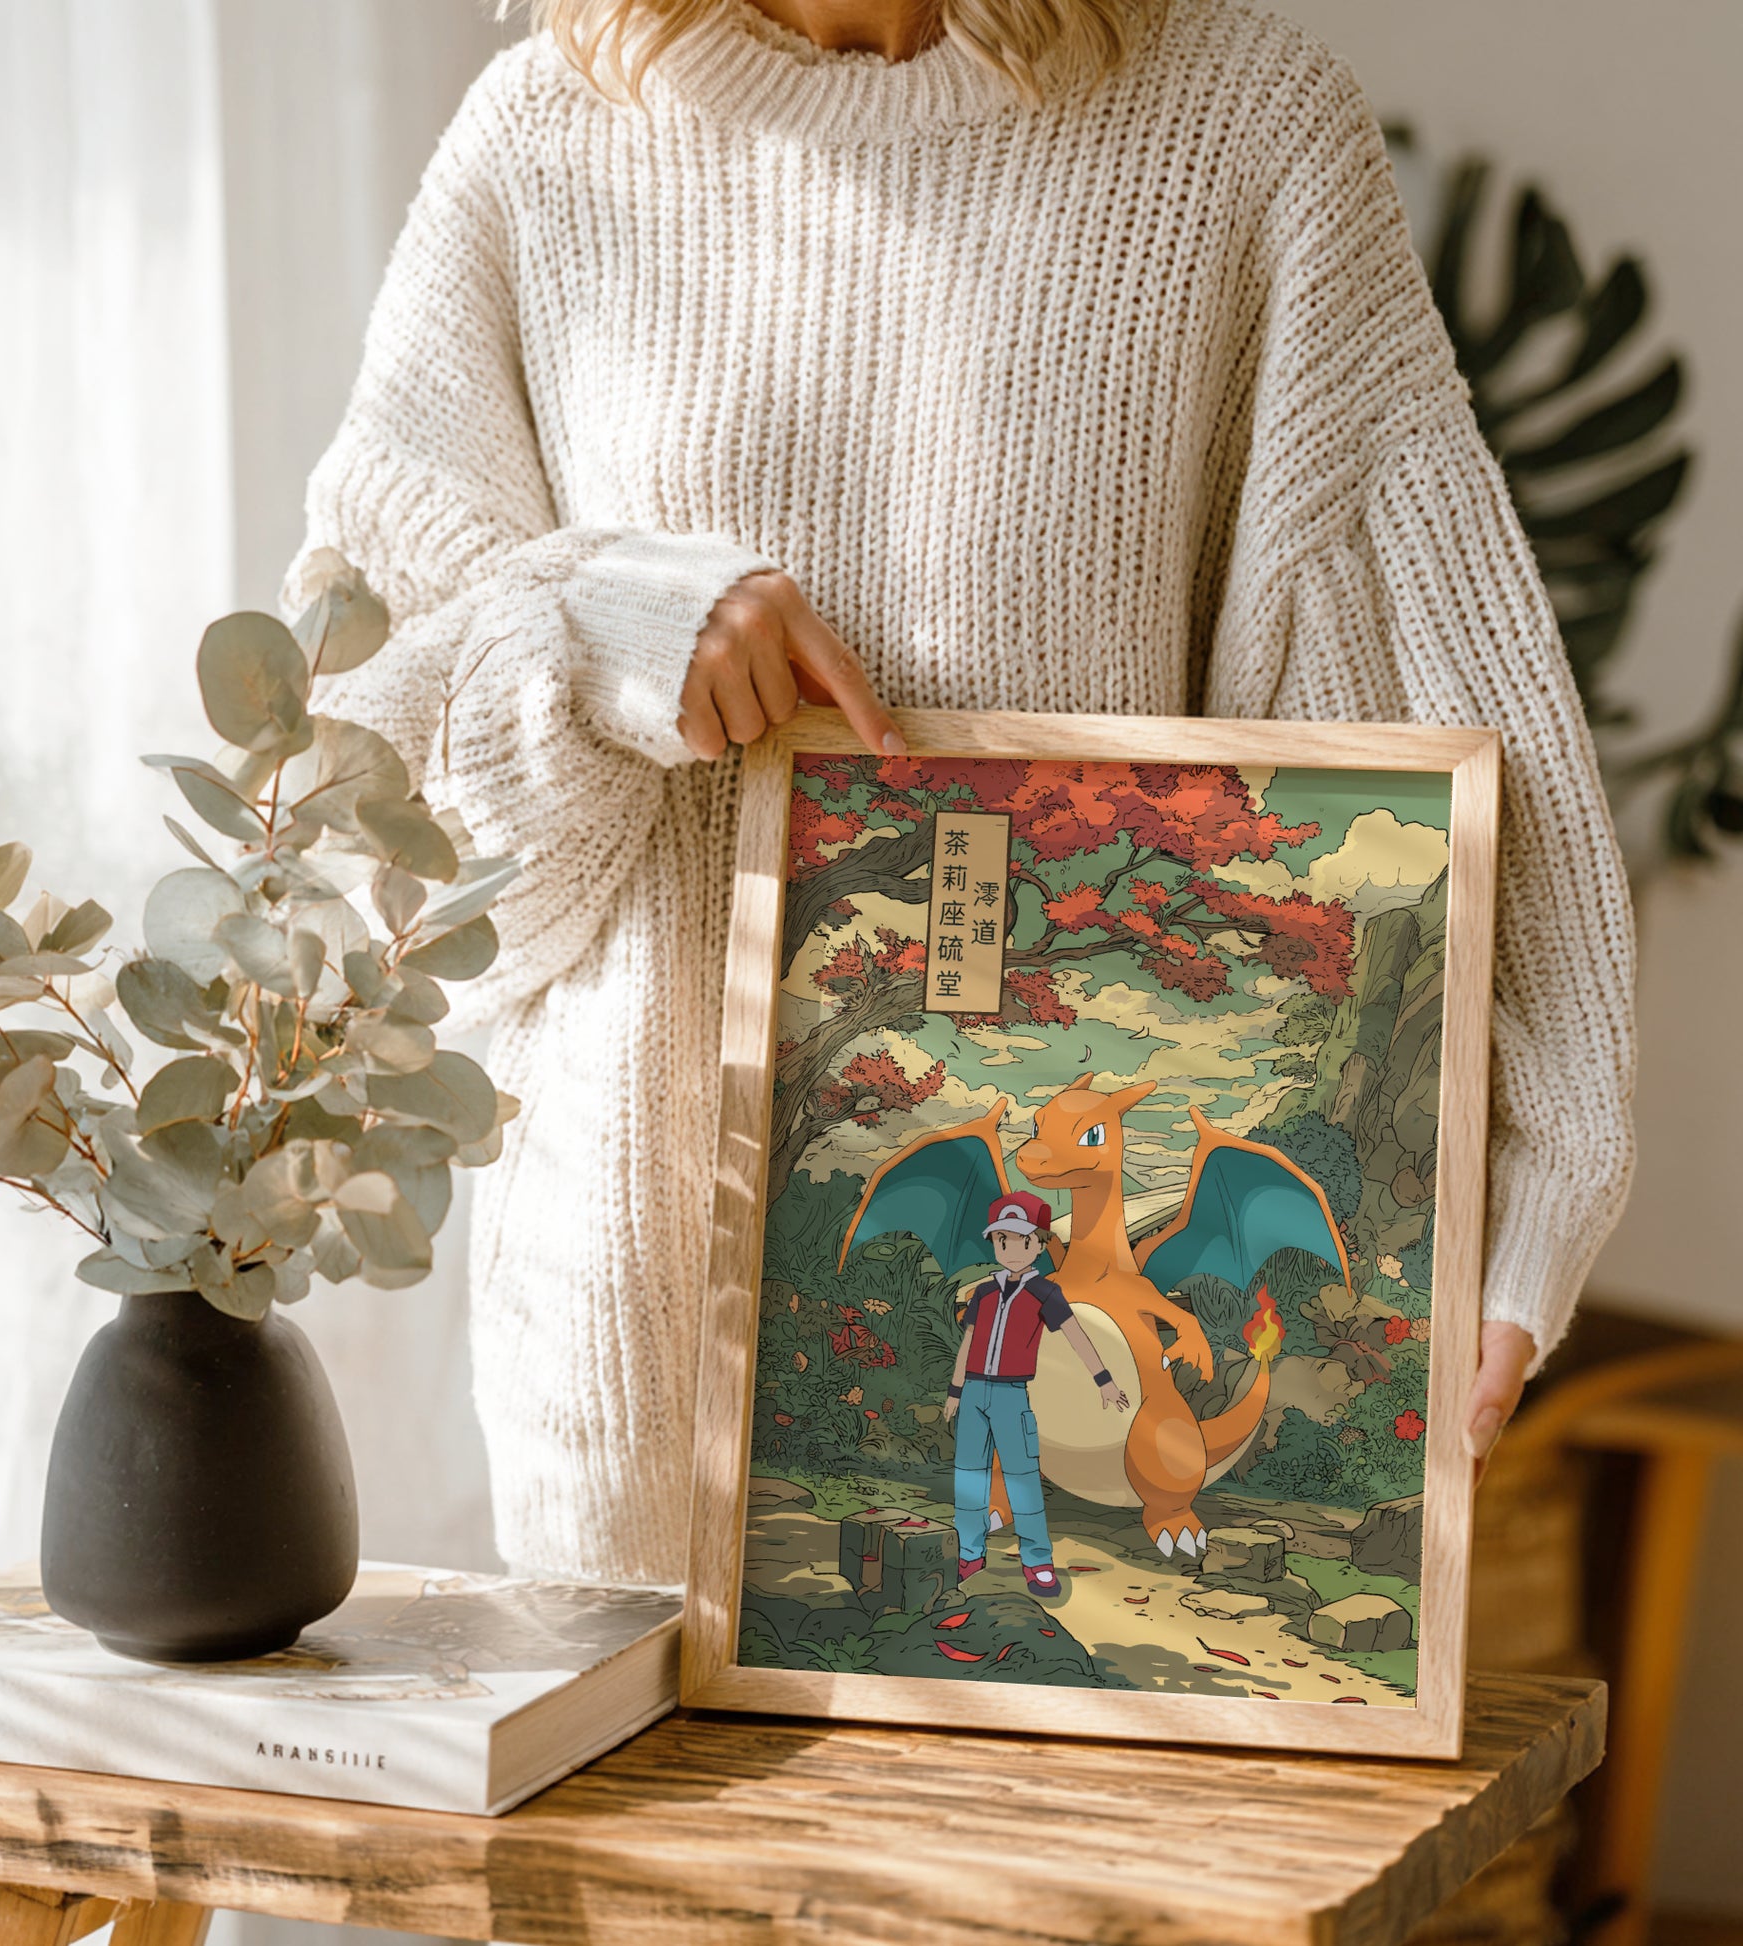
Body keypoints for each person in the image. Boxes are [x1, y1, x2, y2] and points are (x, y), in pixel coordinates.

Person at [281, 0, 1636, 1589]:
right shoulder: (540, 143)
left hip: (1100, 1449)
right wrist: (598, 625)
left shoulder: (1241, 129)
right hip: (625, 1359)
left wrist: (1530, 1179)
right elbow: (357, 824)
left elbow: (1422, 698)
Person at [945, 1193, 1131, 1597]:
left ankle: (1037, 1561)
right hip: (974, 1391)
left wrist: (1104, 1379)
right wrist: (956, 1388)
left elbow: (1075, 1335)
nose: (1011, 1250)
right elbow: (970, 1341)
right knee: (969, 1478)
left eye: (1022, 1241)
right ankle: (969, 1553)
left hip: (1012, 1395)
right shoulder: (983, 1294)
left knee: (1022, 1479)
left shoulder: (1044, 1293)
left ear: (1039, 1245)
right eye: (1002, 1241)